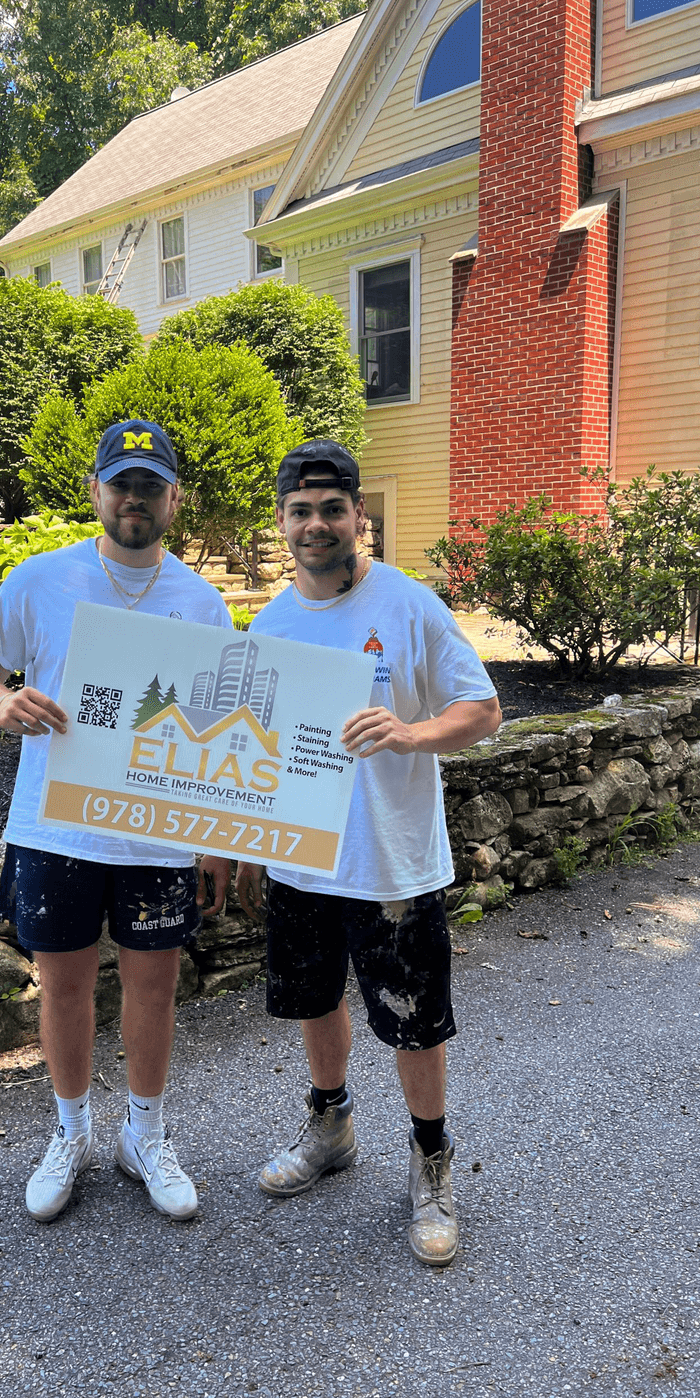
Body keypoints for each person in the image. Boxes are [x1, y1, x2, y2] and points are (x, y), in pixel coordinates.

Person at [0, 420, 232, 1223]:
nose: (133, 499)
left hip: (159, 832)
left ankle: (143, 1135)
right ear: (95, 491)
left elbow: (222, 730)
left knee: (155, 986)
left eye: (150, 486)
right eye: (121, 484)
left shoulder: (201, 601)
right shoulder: (42, 579)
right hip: (57, 828)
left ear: (174, 499)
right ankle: (71, 1132)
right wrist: (1, 703)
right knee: (65, 986)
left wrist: (217, 836)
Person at [235, 439, 501, 1266]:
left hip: (390, 859)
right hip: (298, 856)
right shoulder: (270, 625)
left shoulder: (409, 606)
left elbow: (483, 709)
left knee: (415, 1019)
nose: (316, 524)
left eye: (332, 509)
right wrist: (238, 841)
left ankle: (431, 1158)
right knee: (314, 999)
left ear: (359, 516)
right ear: (282, 521)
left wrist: (412, 733)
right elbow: (250, 745)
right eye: (300, 511)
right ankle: (331, 1128)